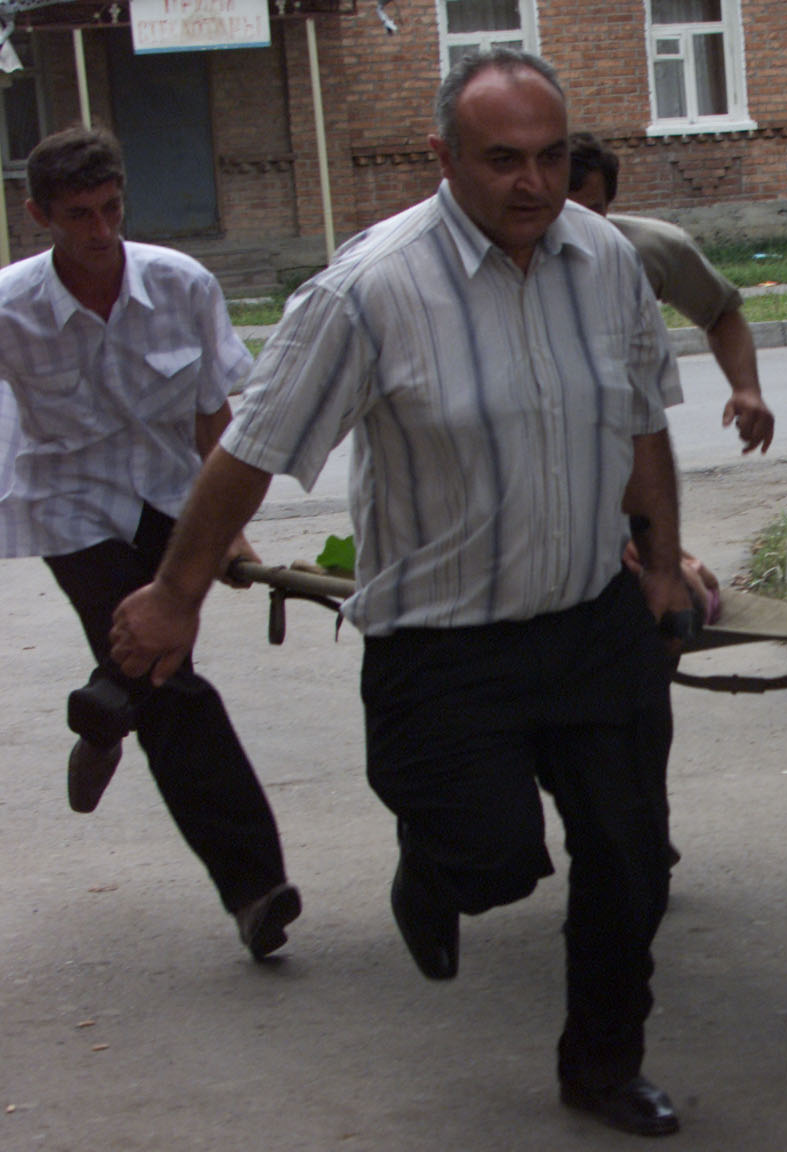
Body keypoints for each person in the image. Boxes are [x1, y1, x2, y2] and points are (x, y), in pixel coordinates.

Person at [111, 49, 690, 1138]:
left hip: (590, 624)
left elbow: (643, 419)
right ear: (442, 156)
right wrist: (175, 593)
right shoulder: (370, 289)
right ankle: (435, 871)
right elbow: (252, 446)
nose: (534, 182)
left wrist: (661, 566)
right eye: (503, 159)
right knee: (493, 861)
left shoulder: (606, 258)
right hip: (442, 645)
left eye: (550, 155)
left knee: (630, 860)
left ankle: (604, 1066)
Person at [0, 125, 300, 961]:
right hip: (69, 509)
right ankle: (256, 889)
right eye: (79, 215)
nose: (101, 231)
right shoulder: (9, 309)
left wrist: (229, 529)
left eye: (111, 208)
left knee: (141, 666)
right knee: (166, 672)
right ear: (39, 216)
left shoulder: (181, 283)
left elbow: (213, 417)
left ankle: (105, 711)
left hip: (175, 500)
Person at [567, 131, 774, 455]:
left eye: (593, 211)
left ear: (609, 202)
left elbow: (720, 313)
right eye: (566, 212)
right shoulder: (508, 259)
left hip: (627, 441)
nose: (580, 225)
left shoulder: (648, 249)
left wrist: (746, 388)